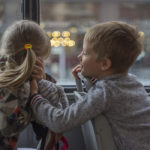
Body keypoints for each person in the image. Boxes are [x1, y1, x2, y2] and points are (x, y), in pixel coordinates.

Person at [29, 21, 150, 150]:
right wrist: (89, 79)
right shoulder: (133, 82)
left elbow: (60, 122)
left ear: (104, 64)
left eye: (85, 53)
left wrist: (35, 98)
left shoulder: (105, 92)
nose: (79, 56)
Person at [0, 20, 68, 150]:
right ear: (38, 60)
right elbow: (7, 128)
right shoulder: (12, 85)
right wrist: (33, 98)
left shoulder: (7, 74)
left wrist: (41, 81)